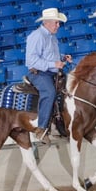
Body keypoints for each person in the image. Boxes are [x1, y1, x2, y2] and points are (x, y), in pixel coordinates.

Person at [25, 8, 72, 144]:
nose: (58, 26)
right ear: (47, 22)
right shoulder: (37, 36)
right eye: (56, 23)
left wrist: (62, 58)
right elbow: (31, 61)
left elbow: (51, 56)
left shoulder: (51, 36)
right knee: (49, 92)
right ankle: (42, 128)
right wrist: (54, 64)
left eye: (58, 23)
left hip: (52, 72)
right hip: (39, 73)